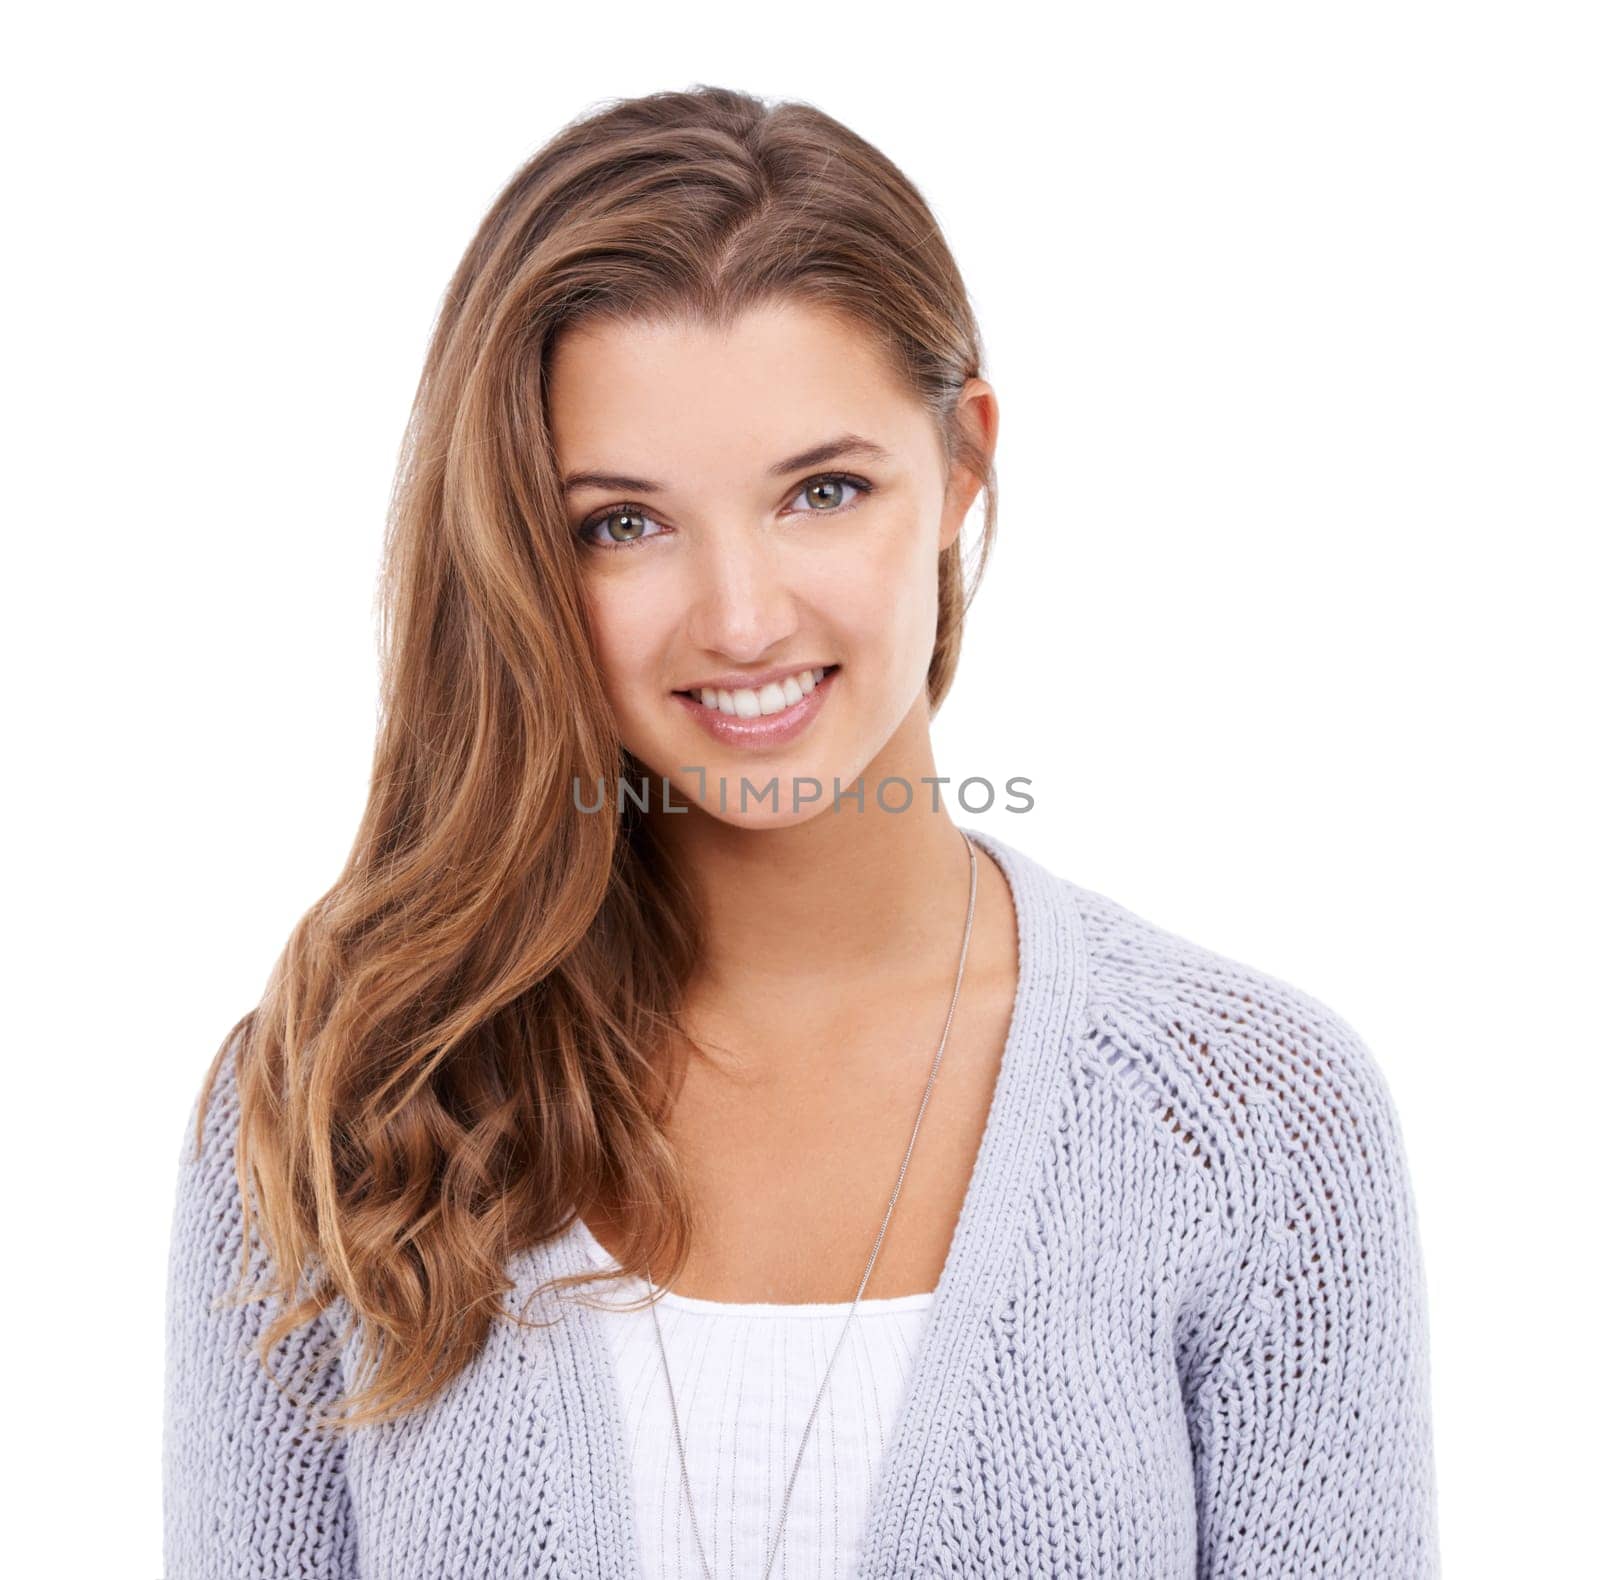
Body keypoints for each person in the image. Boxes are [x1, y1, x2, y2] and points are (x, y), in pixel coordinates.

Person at [162, 85, 1440, 1580]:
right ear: (519, 546)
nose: (744, 617)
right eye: (622, 522)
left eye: (823, 491)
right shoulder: (345, 1094)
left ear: (963, 465)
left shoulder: (1250, 1122)